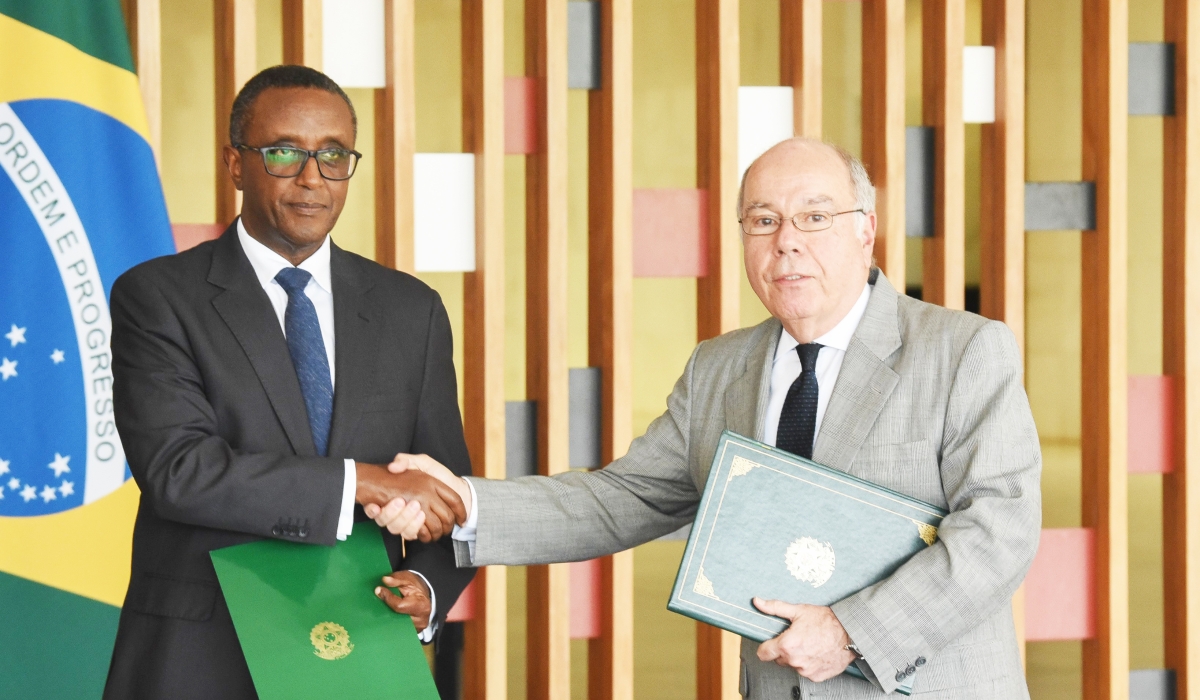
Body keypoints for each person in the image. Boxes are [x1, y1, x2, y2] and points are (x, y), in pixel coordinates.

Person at [370, 138, 1043, 698]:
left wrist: (849, 630)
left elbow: (1000, 532)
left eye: (815, 218)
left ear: (865, 229)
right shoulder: (719, 369)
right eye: (762, 220)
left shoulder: (962, 352)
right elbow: (623, 498)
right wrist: (464, 502)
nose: (786, 243)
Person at [104, 65, 472, 699]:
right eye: (284, 153)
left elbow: (446, 489)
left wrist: (431, 588)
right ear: (235, 163)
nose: (312, 178)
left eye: (333, 156)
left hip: (360, 647)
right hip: (199, 659)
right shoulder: (158, 296)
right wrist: (365, 480)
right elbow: (180, 472)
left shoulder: (412, 310)